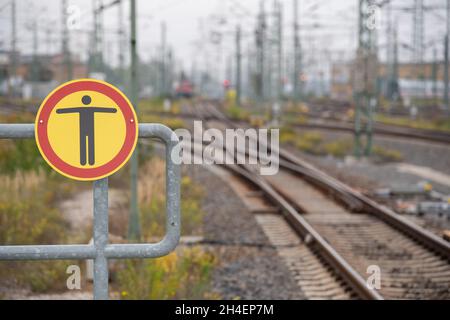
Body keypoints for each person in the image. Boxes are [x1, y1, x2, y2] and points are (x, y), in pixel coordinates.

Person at [56, 95, 117, 166]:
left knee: (85, 144)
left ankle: (85, 161)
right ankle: (88, 161)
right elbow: (104, 109)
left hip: (84, 129)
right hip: (88, 129)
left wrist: (59, 111)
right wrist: (113, 110)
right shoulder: (90, 109)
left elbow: (68, 110)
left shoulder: (82, 109)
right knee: (89, 144)